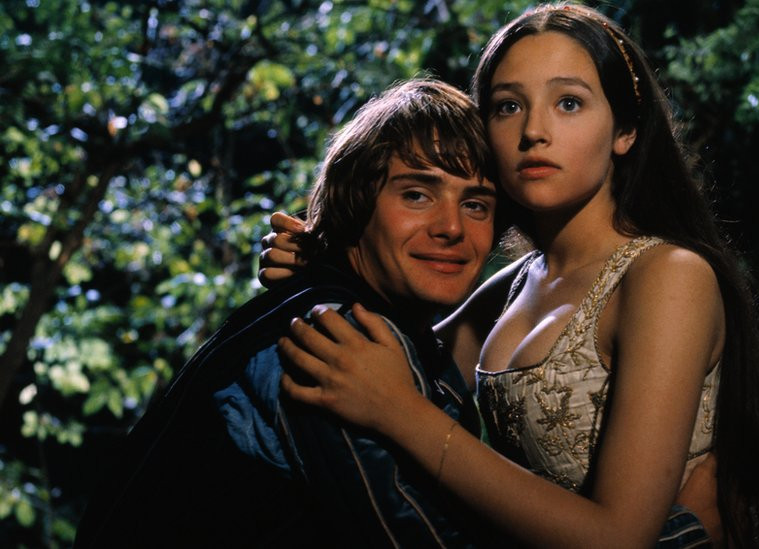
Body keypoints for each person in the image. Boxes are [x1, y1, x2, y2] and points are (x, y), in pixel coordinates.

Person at [76, 77, 714, 548]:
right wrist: (690, 532)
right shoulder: (337, 341)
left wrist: (315, 250)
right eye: (417, 194)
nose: (450, 228)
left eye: (476, 204)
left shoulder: (373, 318)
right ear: (356, 202)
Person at [267, 3, 759, 548]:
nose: (534, 131)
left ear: (626, 129)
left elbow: (619, 538)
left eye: (568, 103)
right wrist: (321, 263)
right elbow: (391, 359)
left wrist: (401, 415)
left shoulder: (667, 276)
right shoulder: (519, 283)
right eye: (508, 106)